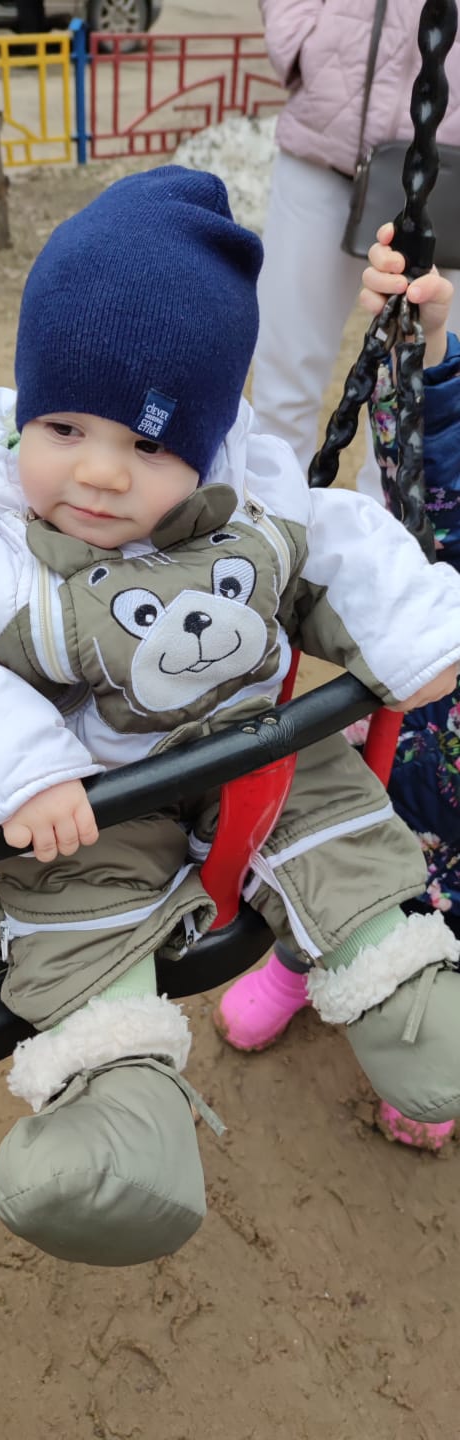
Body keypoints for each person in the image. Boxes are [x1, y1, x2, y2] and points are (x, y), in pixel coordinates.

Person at [0, 168, 460, 1268]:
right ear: (25, 411)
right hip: (86, 810)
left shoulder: (252, 507)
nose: (102, 473)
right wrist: (25, 768)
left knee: (341, 827)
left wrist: (418, 639)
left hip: (260, 776)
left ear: (203, 445)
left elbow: (341, 543)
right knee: (67, 910)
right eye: (64, 426)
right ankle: (120, 1129)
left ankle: (411, 1004)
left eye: (152, 445)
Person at [215, 221, 460, 1149]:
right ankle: (295, 965)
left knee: (438, 938)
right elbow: (435, 476)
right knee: (334, 853)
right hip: (412, 755)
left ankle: (420, 1047)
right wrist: (423, 342)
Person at [254, 0, 460, 500]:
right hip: (327, 137)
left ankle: (384, 535)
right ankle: (273, 521)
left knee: (421, 386)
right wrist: (302, 41)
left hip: (451, 169)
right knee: (285, 373)